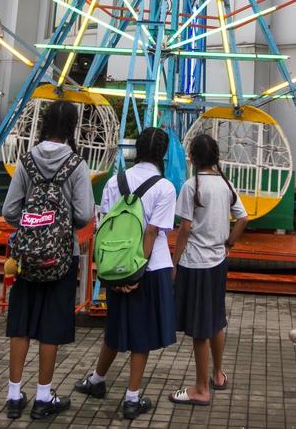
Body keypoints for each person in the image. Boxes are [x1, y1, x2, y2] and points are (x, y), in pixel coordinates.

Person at [75, 127, 176, 421]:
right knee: (141, 333)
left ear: (136, 150)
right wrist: (136, 272)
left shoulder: (114, 182)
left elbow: (103, 228)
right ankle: (131, 398)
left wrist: (112, 273)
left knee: (116, 325)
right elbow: (153, 232)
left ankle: (97, 380)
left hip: (114, 265)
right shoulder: (165, 187)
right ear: (163, 155)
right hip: (149, 267)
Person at [2, 99, 93, 421]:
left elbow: (9, 211)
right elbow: (83, 215)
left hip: (26, 257)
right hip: (60, 257)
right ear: (72, 127)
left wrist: (32, 224)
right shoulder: (77, 165)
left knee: (21, 325)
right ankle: (43, 396)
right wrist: (60, 225)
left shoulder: (26, 161)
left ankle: (14, 396)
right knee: (50, 327)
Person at [169, 133, 248, 406]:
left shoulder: (192, 186)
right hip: (218, 261)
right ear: (215, 157)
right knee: (216, 320)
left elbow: (185, 228)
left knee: (199, 328)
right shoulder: (226, 184)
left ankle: (201, 389)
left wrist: (175, 262)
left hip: (196, 263)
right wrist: (230, 242)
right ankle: (217, 374)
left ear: (192, 157)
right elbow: (243, 217)